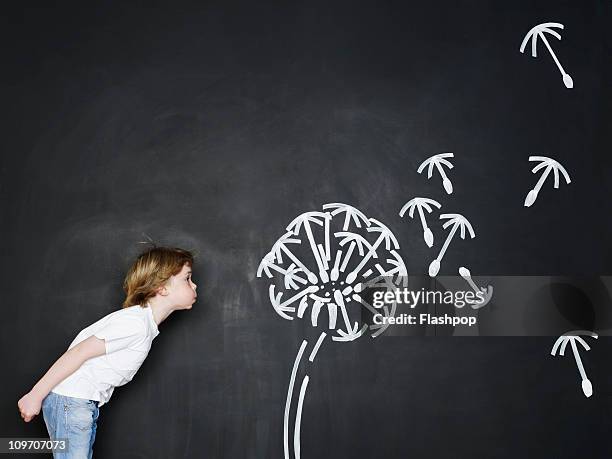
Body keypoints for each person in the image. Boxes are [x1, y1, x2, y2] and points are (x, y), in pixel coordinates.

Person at [17, 246, 198, 458]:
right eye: (187, 278)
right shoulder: (136, 324)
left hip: (80, 403)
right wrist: (35, 396)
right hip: (72, 402)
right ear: (161, 288)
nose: (194, 284)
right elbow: (79, 352)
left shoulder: (143, 324)